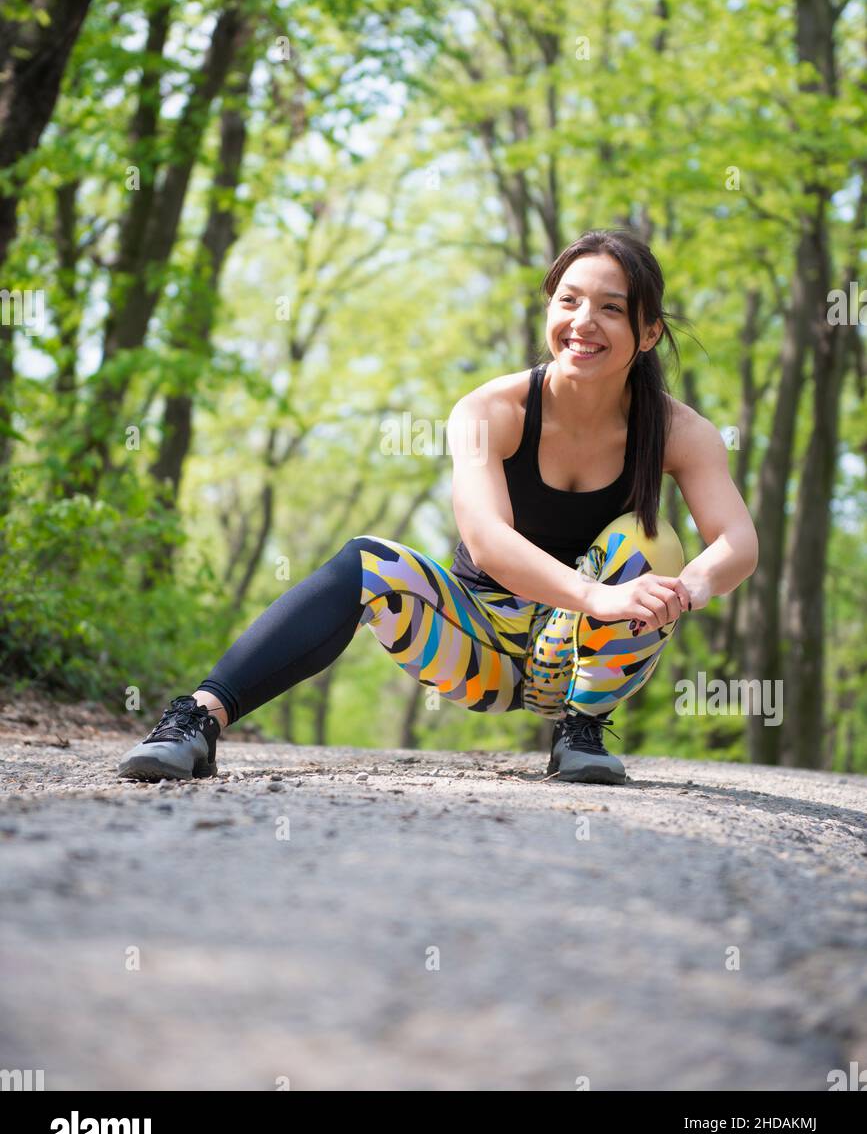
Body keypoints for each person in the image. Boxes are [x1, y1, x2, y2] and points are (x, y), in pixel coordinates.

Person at [117, 228, 759, 786]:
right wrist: (595, 596)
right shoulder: (492, 411)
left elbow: (736, 541)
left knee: (655, 540)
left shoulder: (679, 431)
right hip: (480, 648)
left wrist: (684, 590)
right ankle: (197, 720)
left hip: (583, 658)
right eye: (569, 301)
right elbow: (486, 540)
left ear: (648, 333)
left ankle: (580, 732)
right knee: (365, 562)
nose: (583, 321)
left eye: (611, 309)